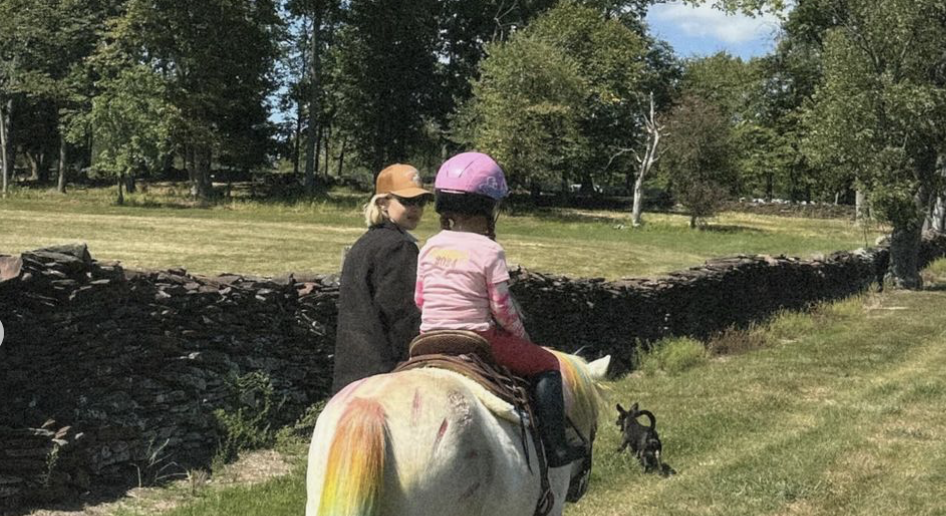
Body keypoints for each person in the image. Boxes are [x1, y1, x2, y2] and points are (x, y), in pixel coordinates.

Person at [415, 152, 586, 467]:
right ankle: (557, 449)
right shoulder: (490, 250)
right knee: (548, 364)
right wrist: (521, 337)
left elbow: (420, 300)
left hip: (428, 337)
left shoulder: (429, 246)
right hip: (478, 337)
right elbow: (502, 308)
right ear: (487, 207)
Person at [332, 163, 433, 394]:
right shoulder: (399, 248)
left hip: (350, 376)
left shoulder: (364, 244)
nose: (416, 208)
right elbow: (404, 317)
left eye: (421, 202)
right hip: (385, 375)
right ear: (382, 203)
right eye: (407, 201)